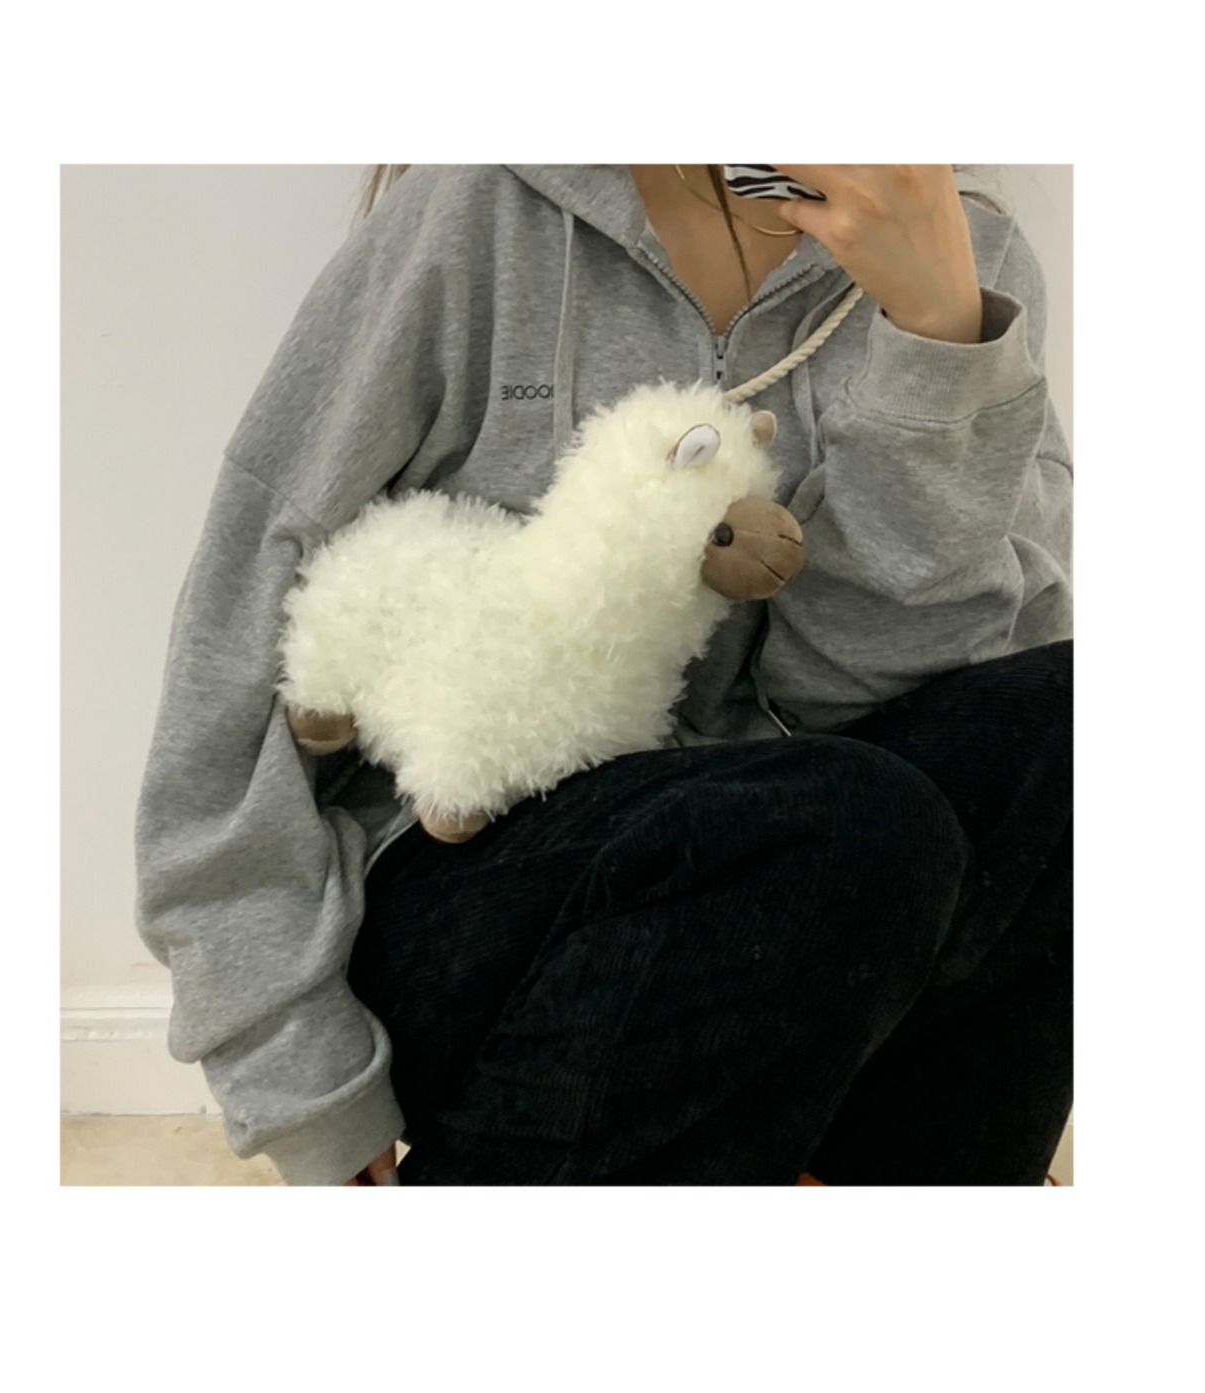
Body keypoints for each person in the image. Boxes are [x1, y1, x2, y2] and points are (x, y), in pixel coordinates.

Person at [135, 165, 1072, 1186]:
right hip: (478, 865)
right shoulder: (480, 213)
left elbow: (912, 716)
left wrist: (935, 334)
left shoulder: (967, 258)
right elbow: (243, 629)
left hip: (828, 883)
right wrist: (296, 1072)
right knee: (835, 818)